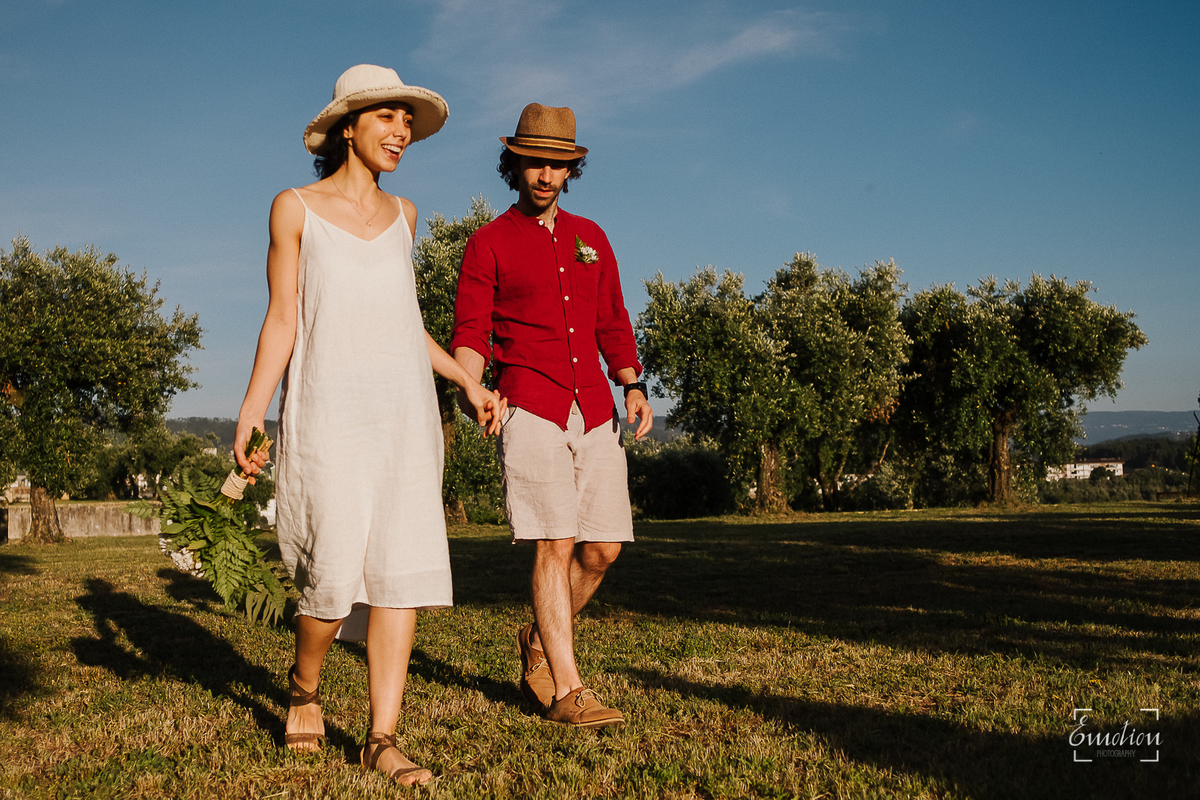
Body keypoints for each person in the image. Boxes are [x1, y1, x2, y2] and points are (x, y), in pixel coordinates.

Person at [233, 64, 502, 786]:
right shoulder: (293, 208)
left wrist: (466, 379)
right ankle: (305, 686)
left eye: (407, 120)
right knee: (328, 577)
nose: (401, 131)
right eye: (386, 116)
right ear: (347, 126)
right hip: (327, 411)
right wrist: (253, 411)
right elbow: (284, 318)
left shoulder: (406, 216)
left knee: (398, 572)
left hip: (404, 415)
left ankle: (382, 736)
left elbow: (404, 325)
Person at [450, 103, 652, 729]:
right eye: (534, 162)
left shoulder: (594, 237)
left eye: (557, 164)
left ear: (571, 169)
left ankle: (538, 639)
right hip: (528, 403)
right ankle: (567, 689)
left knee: (604, 549)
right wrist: (471, 388)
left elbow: (613, 321)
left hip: (592, 406)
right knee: (555, 542)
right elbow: (469, 333)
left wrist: (633, 385)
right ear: (514, 163)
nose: (544, 174)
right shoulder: (487, 243)